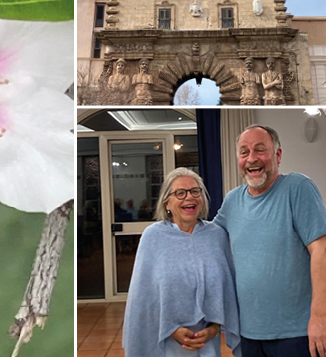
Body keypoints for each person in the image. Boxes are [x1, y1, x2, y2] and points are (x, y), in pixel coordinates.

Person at [214, 125, 326, 357]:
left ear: (278, 155)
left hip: (297, 333)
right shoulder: (232, 201)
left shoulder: (298, 188)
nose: (252, 158)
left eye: (260, 150)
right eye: (244, 152)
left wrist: (320, 317)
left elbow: (321, 250)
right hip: (249, 333)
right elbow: (205, 239)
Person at [124, 167, 241, 357]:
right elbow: (143, 297)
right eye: (180, 193)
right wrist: (171, 330)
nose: (189, 197)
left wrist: (214, 328)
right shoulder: (153, 237)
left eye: (195, 191)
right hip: (165, 342)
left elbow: (227, 291)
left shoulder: (217, 236)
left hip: (208, 344)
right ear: (167, 203)